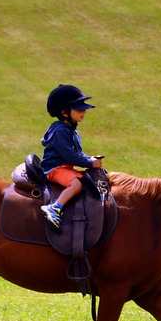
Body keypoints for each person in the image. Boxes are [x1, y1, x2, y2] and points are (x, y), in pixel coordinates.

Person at [39, 84, 103, 230]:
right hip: (55, 169)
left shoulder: (71, 131)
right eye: (79, 109)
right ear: (65, 112)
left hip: (64, 167)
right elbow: (69, 155)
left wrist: (89, 158)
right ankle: (55, 208)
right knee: (76, 184)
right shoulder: (60, 131)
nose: (84, 112)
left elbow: (77, 154)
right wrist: (89, 162)